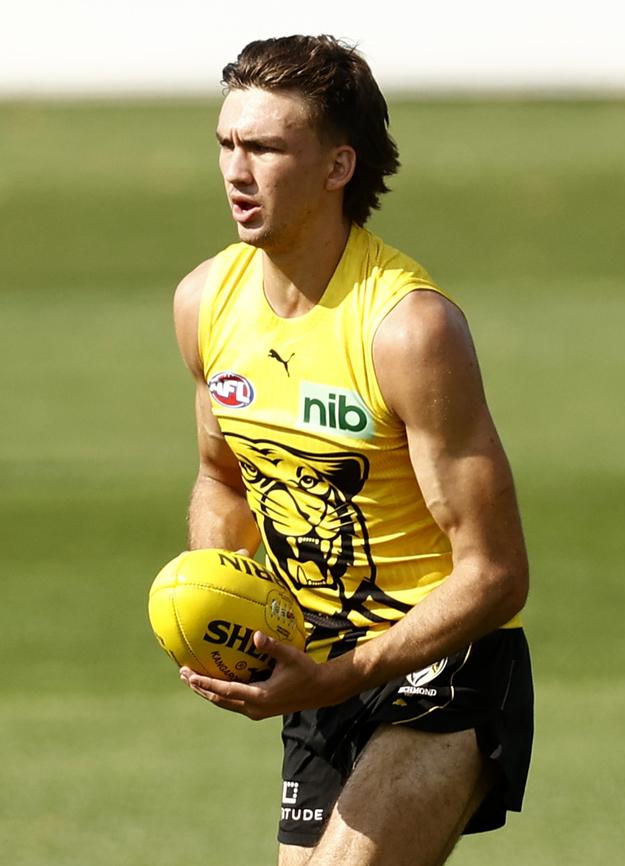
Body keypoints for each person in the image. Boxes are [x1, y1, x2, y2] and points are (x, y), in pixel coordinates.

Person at [173, 34, 533, 866]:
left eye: (265, 147)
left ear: (338, 167)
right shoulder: (206, 303)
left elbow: (497, 572)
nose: (237, 170)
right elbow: (220, 478)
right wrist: (222, 607)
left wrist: (342, 674)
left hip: (443, 665)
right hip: (317, 663)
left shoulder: (409, 328)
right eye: (228, 143)